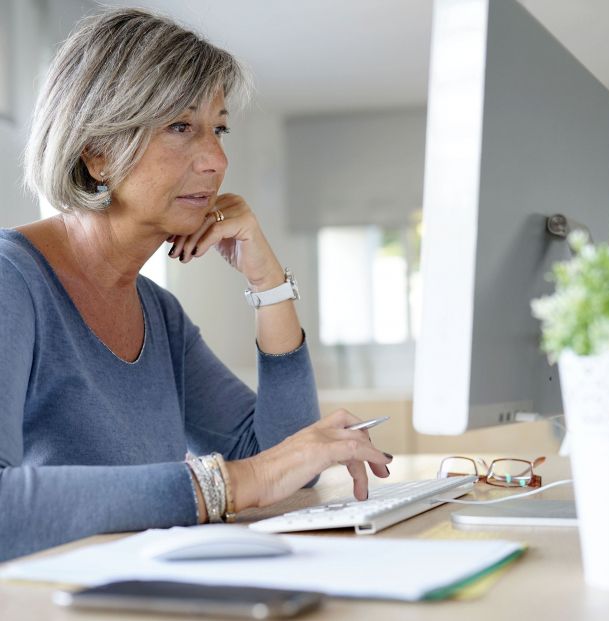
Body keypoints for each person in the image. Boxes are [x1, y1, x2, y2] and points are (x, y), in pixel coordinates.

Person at [0, 8, 392, 562]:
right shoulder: (10, 281)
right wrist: (234, 483)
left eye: (219, 129)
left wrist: (269, 282)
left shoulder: (158, 314)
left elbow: (282, 463)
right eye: (181, 127)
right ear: (97, 150)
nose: (217, 160)